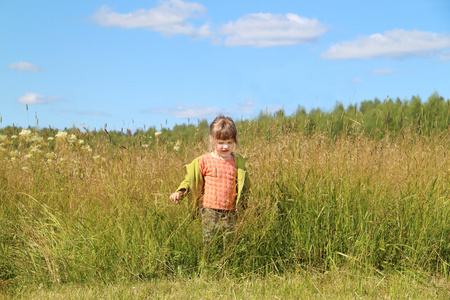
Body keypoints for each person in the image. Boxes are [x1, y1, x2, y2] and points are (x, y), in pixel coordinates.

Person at [170, 115, 250, 254]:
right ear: (212, 140)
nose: (225, 146)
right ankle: (207, 264)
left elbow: (245, 185)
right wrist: (180, 191)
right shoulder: (204, 161)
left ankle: (226, 265)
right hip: (209, 210)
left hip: (230, 211)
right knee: (209, 240)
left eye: (229, 142)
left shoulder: (238, 162)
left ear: (235, 141)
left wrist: (247, 203)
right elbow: (190, 179)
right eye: (221, 142)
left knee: (228, 240)